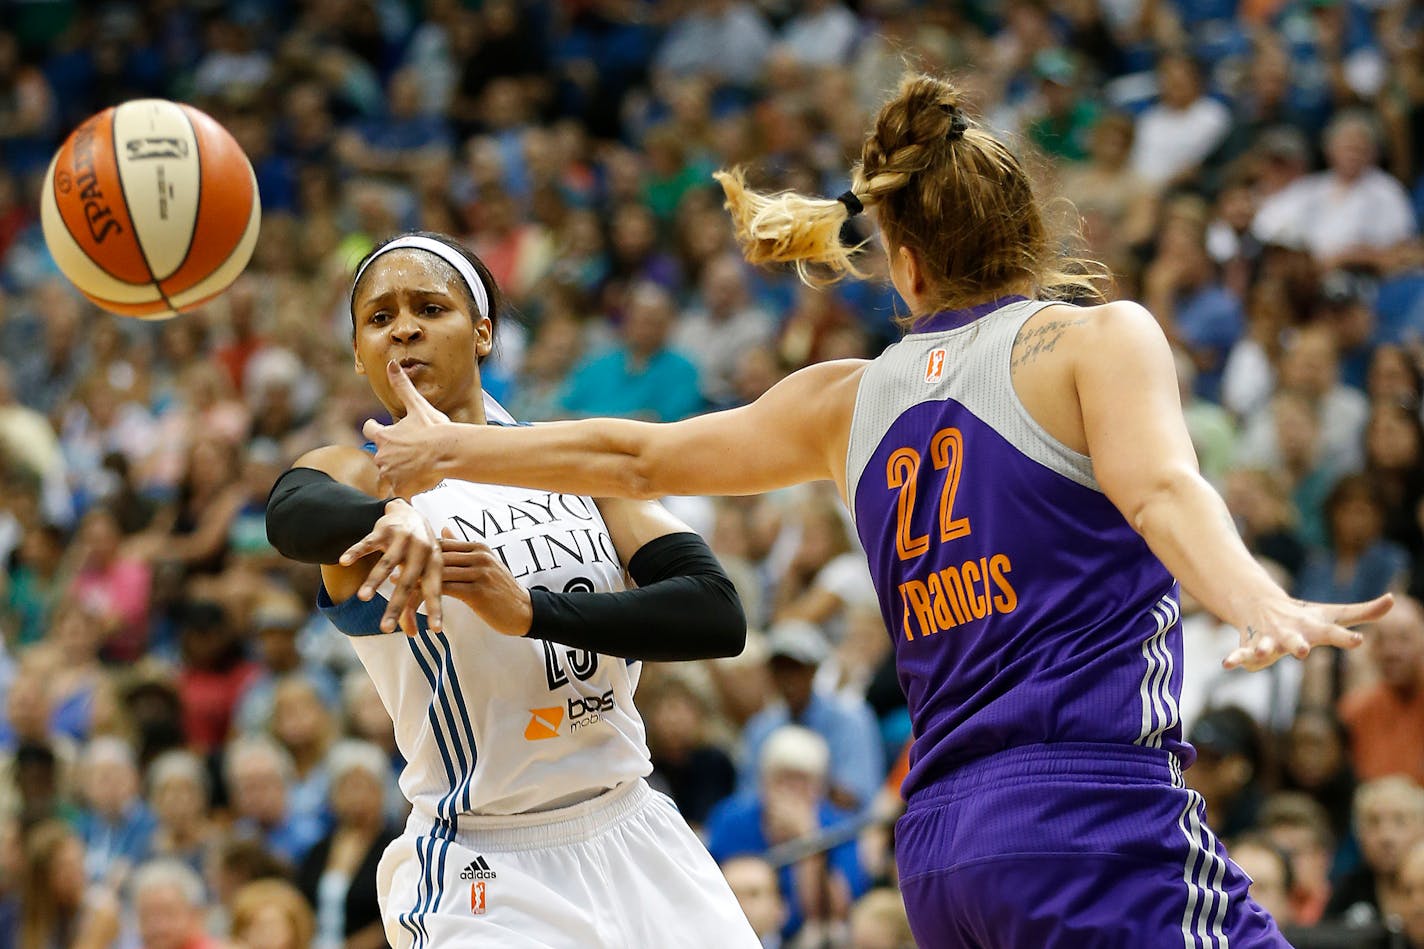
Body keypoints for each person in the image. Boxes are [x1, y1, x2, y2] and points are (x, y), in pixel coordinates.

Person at [364, 74, 1395, 947]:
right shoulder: (1093, 339)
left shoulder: (847, 397)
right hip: (1088, 805)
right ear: (1025, 228)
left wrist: (452, 444)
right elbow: (1165, 488)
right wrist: (1254, 596)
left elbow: (630, 455)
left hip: (942, 844)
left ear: (899, 260)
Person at [264, 231, 757, 946]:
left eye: (430, 307)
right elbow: (292, 510)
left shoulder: (564, 461)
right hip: (484, 862)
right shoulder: (364, 475)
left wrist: (531, 612)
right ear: (358, 353)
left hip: (634, 823)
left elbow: (716, 611)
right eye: (379, 317)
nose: (403, 326)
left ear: (484, 331)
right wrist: (387, 513)